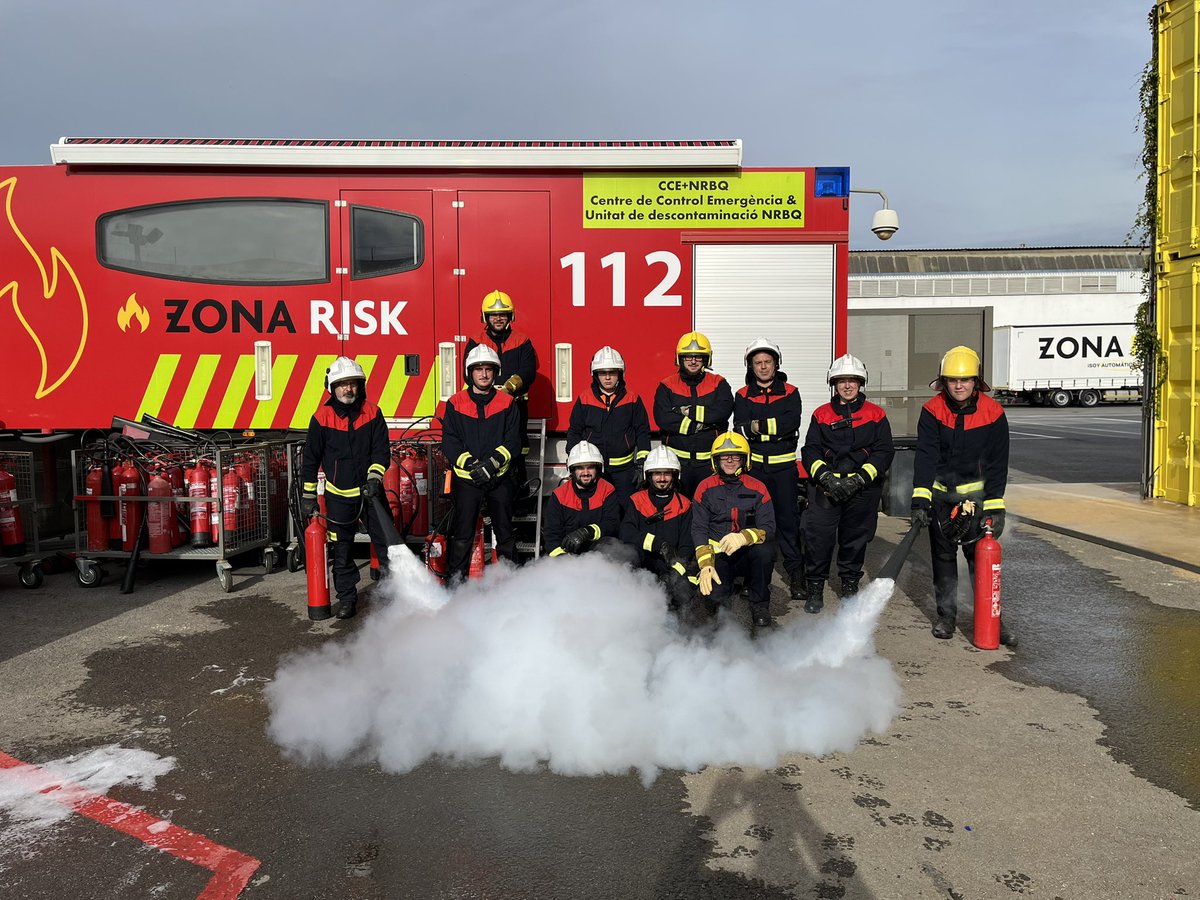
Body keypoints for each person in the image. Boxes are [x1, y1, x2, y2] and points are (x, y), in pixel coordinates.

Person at [910, 345, 1014, 644]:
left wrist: (995, 507)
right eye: (953, 381)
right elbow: (926, 457)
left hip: (978, 503)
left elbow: (997, 464)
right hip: (942, 501)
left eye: (965, 380)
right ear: (943, 382)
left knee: (981, 562)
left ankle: (993, 621)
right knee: (943, 560)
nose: (959, 386)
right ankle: (947, 617)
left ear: (975, 382)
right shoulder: (932, 410)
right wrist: (920, 500)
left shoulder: (993, 413)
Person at [800, 354, 895, 613]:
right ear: (834, 384)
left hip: (862, 489)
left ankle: (849, 586)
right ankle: (815, 588)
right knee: (818, 539)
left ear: (861, 383)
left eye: (852, 380)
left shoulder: (876, 414)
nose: (847, 385)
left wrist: (861, 478)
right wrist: (825, 477)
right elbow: (810, 450)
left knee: (855, 540)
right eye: (842, 381)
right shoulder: (821, 414)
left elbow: (884, 451)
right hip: (825, 489)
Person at [300, 356, 391, 619]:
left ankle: (391, 598)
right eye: (342, 385)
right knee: (342, 551)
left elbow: (380, 451)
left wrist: (374, 478)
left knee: (387, 546)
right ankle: (347, 599)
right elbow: (310, 459)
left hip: (371, 494)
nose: (348, 389)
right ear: (332, 387)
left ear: (360, 386)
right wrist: (309, 496)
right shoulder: (321, 418)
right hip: (338, 498)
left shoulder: (372, 413)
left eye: (352, 384)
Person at [440, 344, 522, 583]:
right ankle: (456, 585)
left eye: (488, 369)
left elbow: (514, 440)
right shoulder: (455, 403)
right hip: (467, 481)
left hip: (499, 479)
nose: (484, 374)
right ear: (470, 373)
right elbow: (450, 441)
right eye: (478, 369)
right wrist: (471, 465)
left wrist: (493, 463)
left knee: (505, 535)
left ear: (495, 372)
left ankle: (515, 585)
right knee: (463, 535)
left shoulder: (507, 403)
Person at [733, 338, 805, 603]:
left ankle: (797, 576)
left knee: (788, 523)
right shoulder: (742, 395)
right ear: (751, 367)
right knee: (751, 524)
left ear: (776, 364)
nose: (763, 367)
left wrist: (757, 428)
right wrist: (770, 429)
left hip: (783, 471)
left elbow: (791, 423)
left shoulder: (791, 392)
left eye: (767, 362)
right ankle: (751, 578)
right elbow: (739, 428)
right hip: (753, 472)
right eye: (758, 363)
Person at [692, 432, 777, 632]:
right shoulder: (704, 488)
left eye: (735, 456)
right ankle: (723, 602)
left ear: (744, 459)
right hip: (719, 555)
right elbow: (699, 529)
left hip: (748, 554)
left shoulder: (758, 488)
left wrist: (744, 537)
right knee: (715, 599)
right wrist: (705, 565)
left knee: (765, 552)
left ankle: (760, 605)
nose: (730, 460)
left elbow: (769, 528)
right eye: (724, 456)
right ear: (715, 460)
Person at [464, 290, 538, 496]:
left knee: (517, 454)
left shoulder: (522, 341)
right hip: (485, 410)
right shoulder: (475, 341)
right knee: (488, 452)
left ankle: (520, 502)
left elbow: (528, 371)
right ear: (485, 317)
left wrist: (510, 387)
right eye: (493, 314)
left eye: (503, 314)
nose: (498, 318)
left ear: (510, 316)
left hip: (516, 409)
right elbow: (468, 372)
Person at [654, 331, 734, 497]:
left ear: (706, 359)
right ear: (680, 358)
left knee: (710, 510)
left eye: (698, 356)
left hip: (709, 464)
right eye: (688, 356)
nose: (693, 361)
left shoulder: (718, 383)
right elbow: (663, 417)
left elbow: (723, 412)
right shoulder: (667, 385)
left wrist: (686, 412)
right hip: (677, 464)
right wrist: (698, 425)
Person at [566, 346, 651, 503]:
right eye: (602, 373)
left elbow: (642, 431)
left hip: (625, 472)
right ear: (595, 375)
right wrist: (573, 461)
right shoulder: (584, 398)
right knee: (598, 510)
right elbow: (574, 431)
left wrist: (642, 463)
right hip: (594, 470)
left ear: (620, 374)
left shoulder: (632, 399)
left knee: (626, 511)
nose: (607, 378)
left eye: (612, 372)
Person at [620, 446, 695, 612]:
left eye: (667, 473)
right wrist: (658, 544)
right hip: (642, 565)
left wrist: (673, 575)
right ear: (649, 475)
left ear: (675, 476)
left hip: (670, 565)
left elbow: (687, 546)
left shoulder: (684, 505)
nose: (662, 478)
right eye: (657, 473)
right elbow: (626, 533)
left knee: (683, 591)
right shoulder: (637, 500)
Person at [542, 441, 621, 557]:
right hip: (567, 554)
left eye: (590, 467)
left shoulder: (607, 490)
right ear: (572, 469)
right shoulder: (559, 495)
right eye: (580, 468)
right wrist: (562, 559)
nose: (585, 473)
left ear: (598, 468)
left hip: (600, 555)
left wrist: (587, 532)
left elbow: (613, 524)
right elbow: (551, 535)